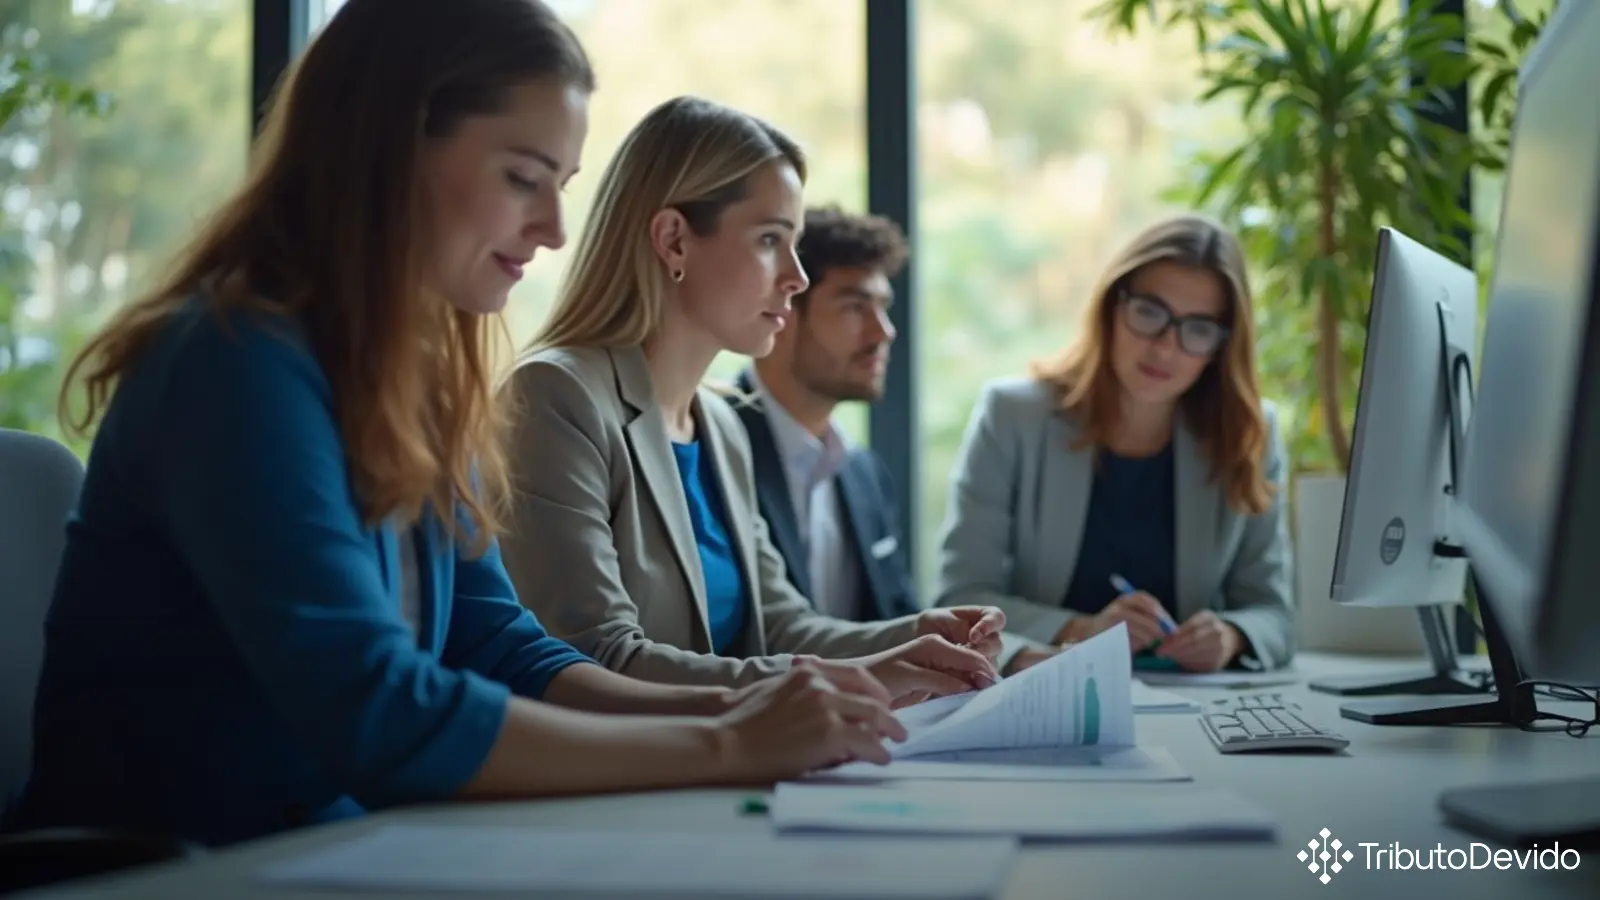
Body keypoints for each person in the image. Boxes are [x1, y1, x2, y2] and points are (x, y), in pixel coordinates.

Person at [7, 0, 908, 850]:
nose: (555, 228)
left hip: (350, 844)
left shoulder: (421, 387)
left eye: (562, 185)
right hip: (185, 867)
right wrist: (729, 748)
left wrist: (738, 717)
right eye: (523, 178)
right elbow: (379, 708)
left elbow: (500, 646)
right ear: (386, 150)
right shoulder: (233, 363)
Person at [500, 97, 1003, 703]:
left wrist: (915, 639)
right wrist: (866, 675)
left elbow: (782, 626)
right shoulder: (556, 397)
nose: (796, 276)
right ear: (674, 240)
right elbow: (596, 658)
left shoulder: (723, 423)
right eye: (770, 239)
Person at [933, 213, 1295, 675]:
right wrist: (1079, 631)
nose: (1165, 347)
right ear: (1111, 307)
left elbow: (1275, 615)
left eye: (1198, 328)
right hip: (1045, 692)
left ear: (1222, 347)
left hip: (1191, 703)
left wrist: (1231, 636)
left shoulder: (1249, 434)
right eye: (1149, 312)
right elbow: (960, 599)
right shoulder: (1012, 416)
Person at [730, 205, 918, 625]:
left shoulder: (865, 472)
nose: (883, 331)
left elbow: (900, 620)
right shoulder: (707, 447)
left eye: (882, 306)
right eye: (854, 306)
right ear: (782, 312)